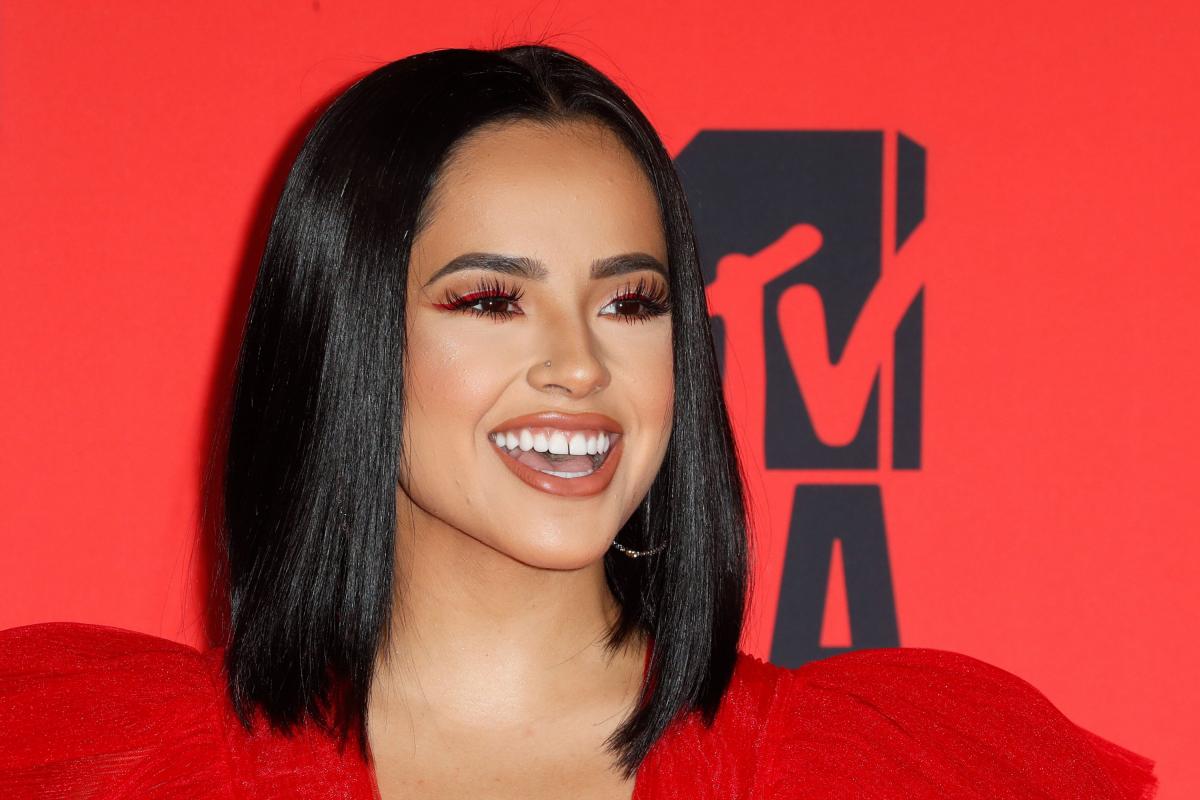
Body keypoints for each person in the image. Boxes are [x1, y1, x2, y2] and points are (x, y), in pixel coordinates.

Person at [0, 44, 1157, 800]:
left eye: (631, 301)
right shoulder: (100, 758)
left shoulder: (879, 769)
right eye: (491, 300)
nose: (579, 364)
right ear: (347, 336)